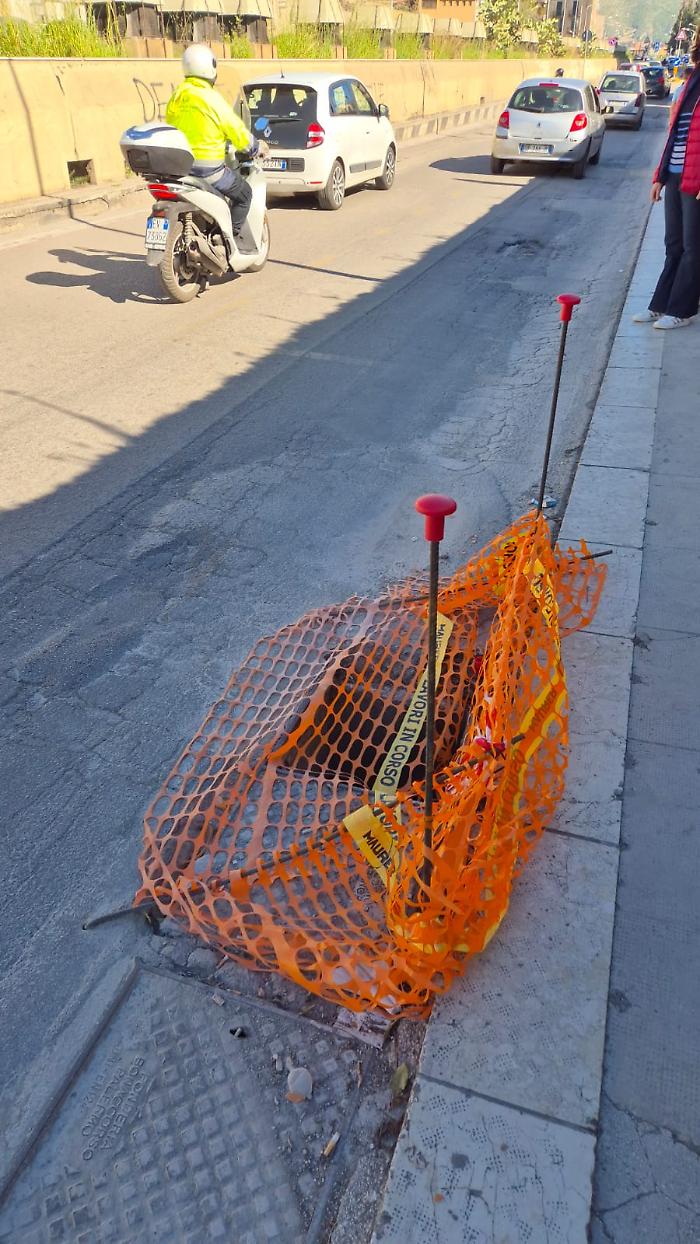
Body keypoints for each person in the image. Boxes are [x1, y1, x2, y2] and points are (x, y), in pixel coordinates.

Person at [634, 29, 700, 329]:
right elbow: (675, 132)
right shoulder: (690, 81)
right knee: (673, 245)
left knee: (692, 248)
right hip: (675, 174)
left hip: (696, 179)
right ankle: (661, 305)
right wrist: (659, 176)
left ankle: (683, 311)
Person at [166, 44, 259, 237]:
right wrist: (253, 147)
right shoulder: (211, 98)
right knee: (245, 195)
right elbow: (235, 127)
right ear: (210, 68)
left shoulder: (177, 96)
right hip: (209, 171)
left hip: (180, 168)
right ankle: (229, 239)